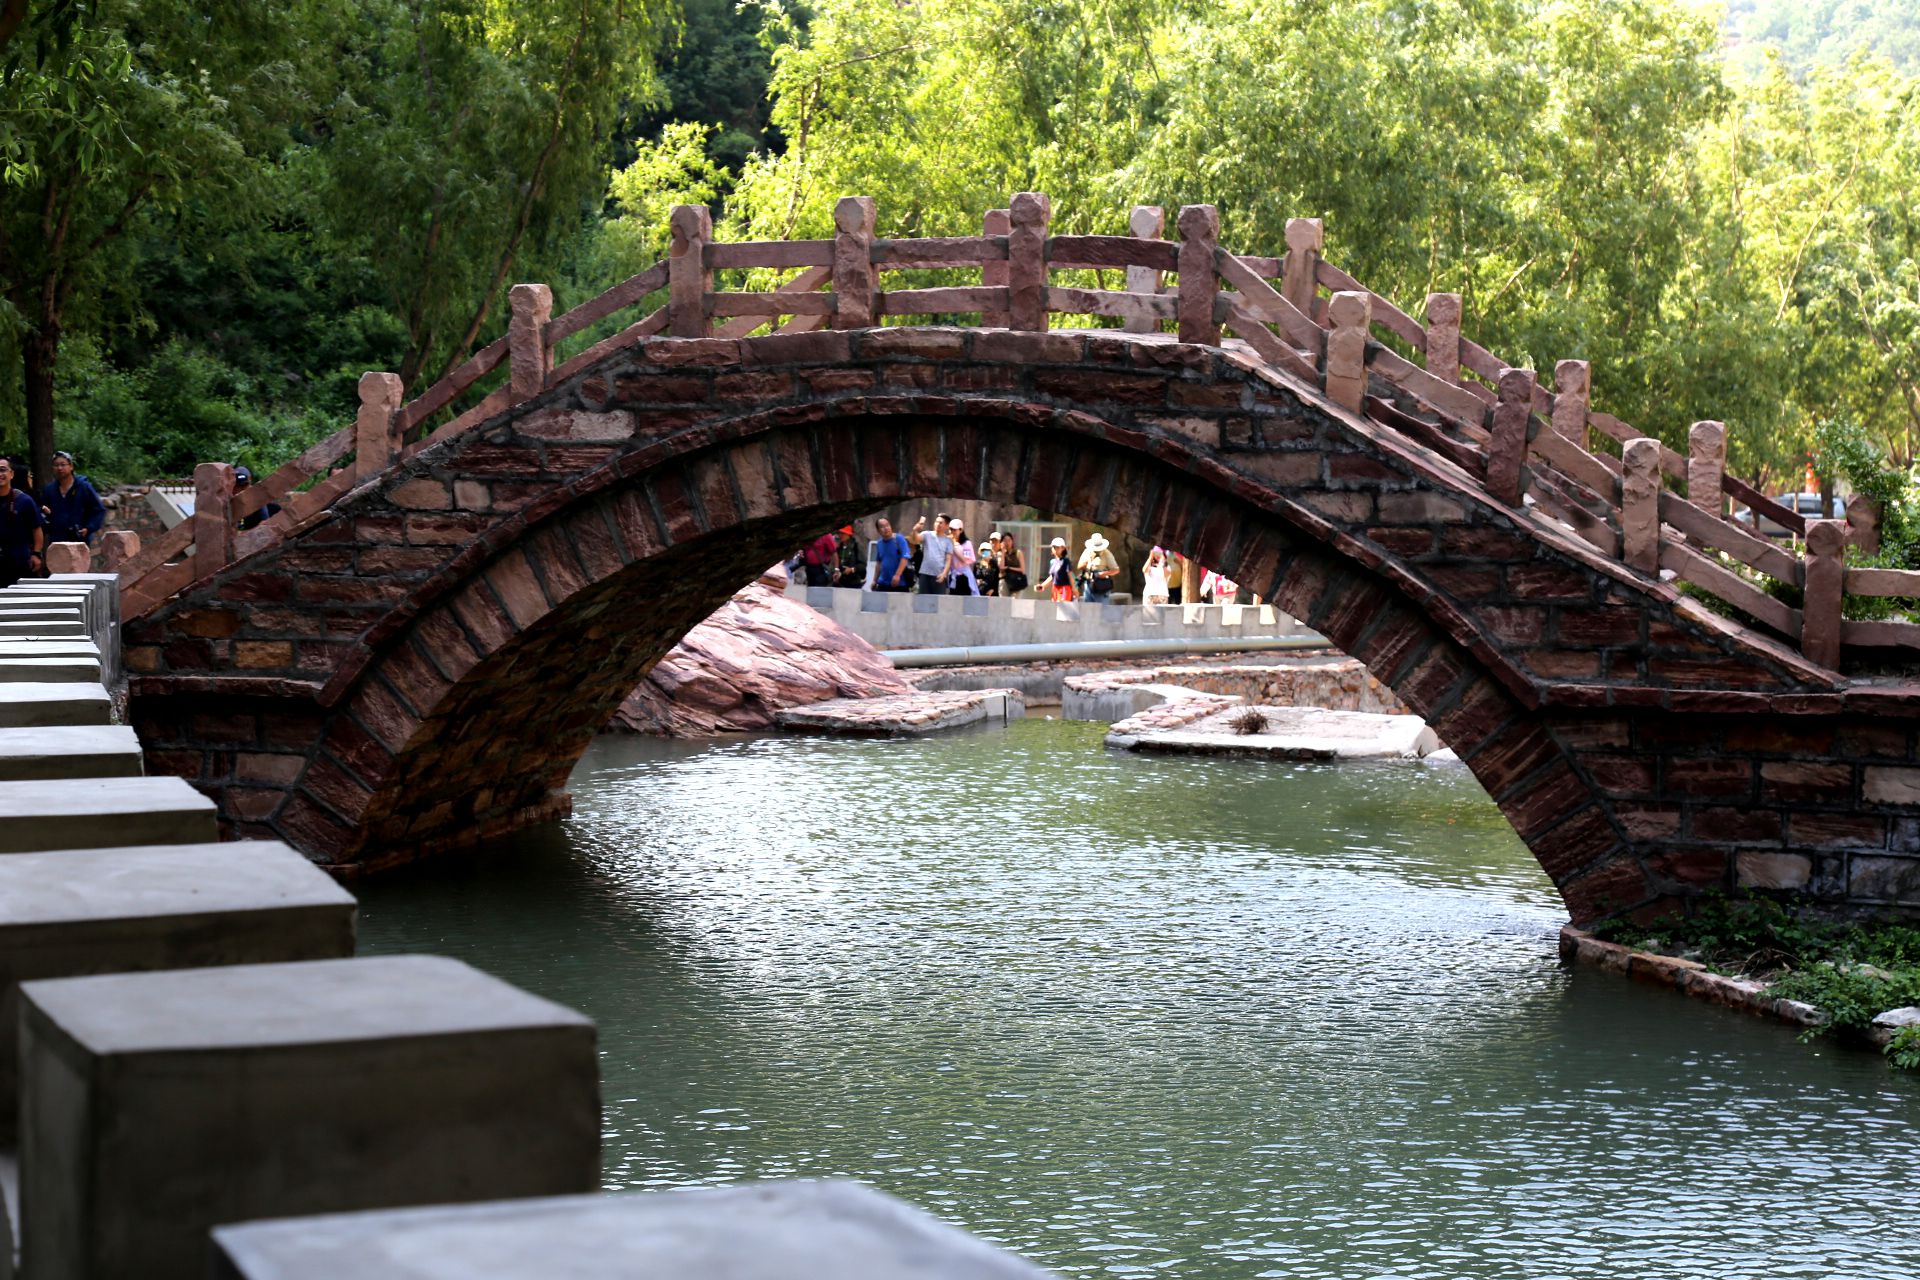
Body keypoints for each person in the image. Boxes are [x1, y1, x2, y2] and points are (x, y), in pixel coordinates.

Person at [38, 450, 104, 547]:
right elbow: (42, 511)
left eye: (63, 464)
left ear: (71, 466)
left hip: (79, 539)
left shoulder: (83, 487)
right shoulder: (49, 490)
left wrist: (89, 528)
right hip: (57, 540)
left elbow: (99, 510)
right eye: (56, 465)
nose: (59, 468)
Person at [0, 457, 46, 587]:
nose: (0, 474)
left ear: (11, 474)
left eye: (3, 470)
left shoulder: (24, 501)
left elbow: (36, 528)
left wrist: (36, 553)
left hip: (19, 561)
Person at [909, 513, 955, 595]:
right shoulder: (927, 534)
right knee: (923, 599)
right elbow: (915, 540)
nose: (938, 524)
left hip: (939, 575)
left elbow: (948, 560)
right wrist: (915, 530)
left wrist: (944, 574)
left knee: (938, 600)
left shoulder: (948, 541)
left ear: (947, 526)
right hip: (925, 573)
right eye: (936, 522)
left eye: (941, 523)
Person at [234, 465, 281, 531]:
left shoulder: (255, 493)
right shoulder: (229, 495)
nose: (242, 489)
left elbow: (265, 516)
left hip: (252, 522)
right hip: (240, 522)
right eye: (238, 486)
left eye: (245, 485)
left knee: (274, 508)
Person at [871, 517, 913, 591]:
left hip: (899, 583)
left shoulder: (899, 539)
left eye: (887, 525)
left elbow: (905, 557)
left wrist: (897, 575)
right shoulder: (879, 543)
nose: (886, 528)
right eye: (882, 526)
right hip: (883, 583)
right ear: (878, 530)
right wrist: (875, 580)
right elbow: (879, 563)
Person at [1077, 531, 1120, 601]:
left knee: (1101, 607)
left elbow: (1116, 570)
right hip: (1088, 583)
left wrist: (1103, 574)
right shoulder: (1087, 551)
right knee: (1088, 607)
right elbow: (1079, 566)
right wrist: (1086, 564)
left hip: (1101, 585)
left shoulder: (1107, 553)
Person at [949, 518, 979, 595]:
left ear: (961, 530)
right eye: (951, 529)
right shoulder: (948, 542)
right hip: (953, 575)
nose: (952, 532)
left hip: (964, 576)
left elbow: (965, 560)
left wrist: (953, 547)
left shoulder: (967, 544)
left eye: (954, 530)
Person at [996, 532, 1027, 597]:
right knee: (1004, 600)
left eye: (1009, 540)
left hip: (1016, 581)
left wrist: (1009, 568)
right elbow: (1001, 567)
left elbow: (1022, 569)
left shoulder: (1018, 553)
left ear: (1012, 541)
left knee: (1015, 600)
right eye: (1005, 540)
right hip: (1004, 580)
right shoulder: (1000, 554)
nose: (1007, 542)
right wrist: (1003, 553)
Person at [1046, 536, 1075, 602]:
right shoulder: (1053, 562)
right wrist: (1042, 586)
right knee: (1055, 606)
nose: (1056, 549)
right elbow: (1052, 577)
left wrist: (1074, 588)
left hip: (1065, 588)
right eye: (1054, 547)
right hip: (1055, 588)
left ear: (1063, 548)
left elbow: (1070, 575)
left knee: (1063, 605)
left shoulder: (1066, 561)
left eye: (1058, 547)